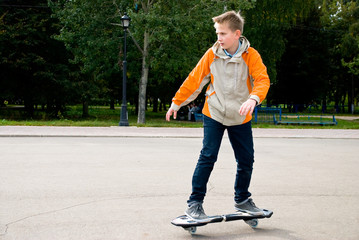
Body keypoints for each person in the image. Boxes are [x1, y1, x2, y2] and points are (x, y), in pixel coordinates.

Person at [166, 10, 270, 221]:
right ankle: (195, 203)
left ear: (237, 34)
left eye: (223, 33)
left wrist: (253, 99)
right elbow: (194, 80)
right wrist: (176, 103)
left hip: (240, 116)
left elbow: (262, 80)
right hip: (214, 112)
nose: (219, 38)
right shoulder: (212, 54)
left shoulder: (251, 56)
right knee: (207, 156)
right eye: (217, 33)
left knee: (246, 160)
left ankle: (242, 198)